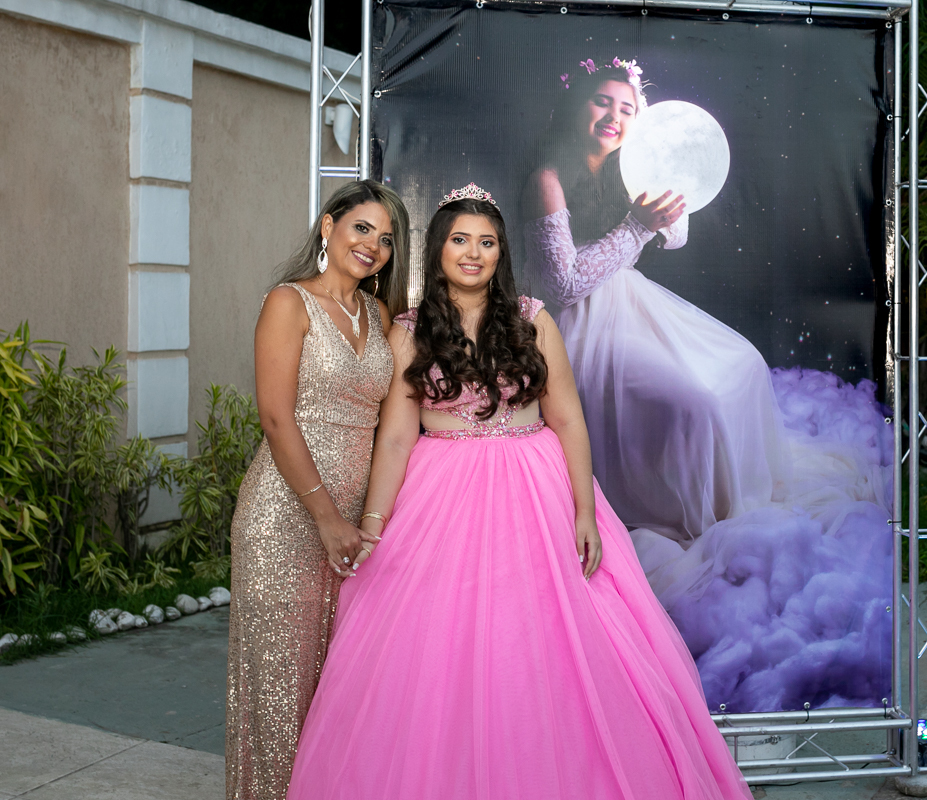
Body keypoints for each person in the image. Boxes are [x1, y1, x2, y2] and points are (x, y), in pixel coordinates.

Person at [285, 185, 751, 799]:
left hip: (536, 489)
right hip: (442, 495)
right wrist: (374, 522)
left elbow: (569, 420)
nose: (472, 253)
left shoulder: (532, 319)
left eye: (487, 242)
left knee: (551, 644)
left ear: (501, 253)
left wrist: (584, 511)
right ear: (438, 248)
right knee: (440, 652)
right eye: (460, 240)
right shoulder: (409, 331)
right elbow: (395, 439)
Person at [522, 58, 786, 545]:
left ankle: (731, 500)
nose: (613, 117)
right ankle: (684, 512)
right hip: (580, 325)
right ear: (578, 105)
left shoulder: (629, 170)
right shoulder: (548, 178)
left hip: (632, 304)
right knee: (696, 403)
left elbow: (676, 238)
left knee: (746, 364)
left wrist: (666, 187)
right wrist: (636, 226)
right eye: (602, 102)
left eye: (627, 109)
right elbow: (564, 285)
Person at [226, 179, 410, 800]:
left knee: (339, 688)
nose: (373, 246)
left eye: (386, 239)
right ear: (328, 226)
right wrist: (328, 519)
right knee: (280, 688)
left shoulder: (378, 315)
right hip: (285, 517)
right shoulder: (289, 302)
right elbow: (276, 418)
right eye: (362, 228)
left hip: (356, 523)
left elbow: (394, 425)